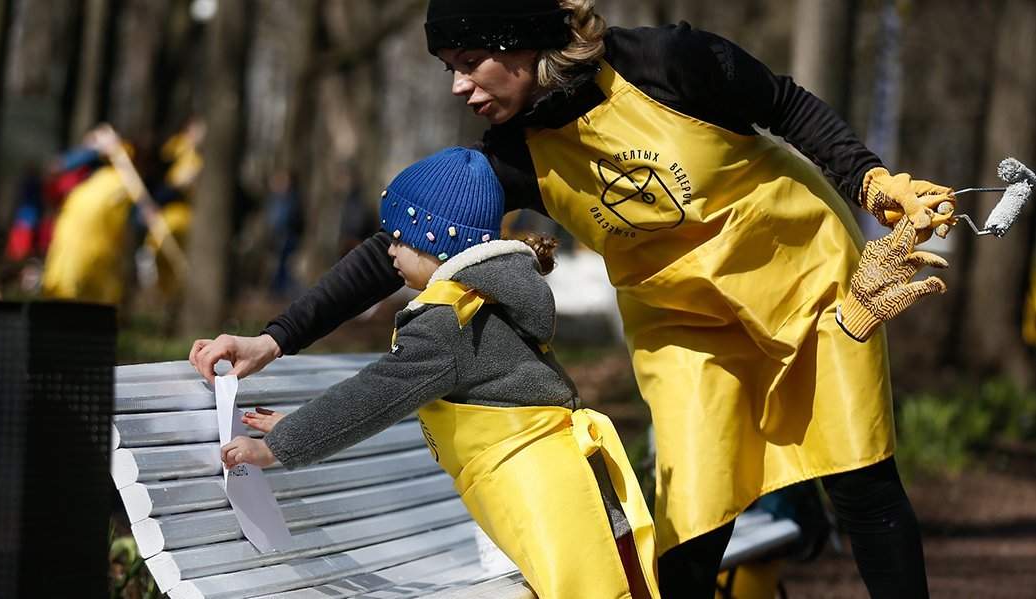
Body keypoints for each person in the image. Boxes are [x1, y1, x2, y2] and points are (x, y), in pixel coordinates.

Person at [191, 3, 956, 597]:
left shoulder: (669, 61)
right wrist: (274, 340)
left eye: (468, 62)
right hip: (683, 323)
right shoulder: (514, 151)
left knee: (856, 470)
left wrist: (870, 180)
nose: (457, 86)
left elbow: (787, 106)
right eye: (447, 68)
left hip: (801, 282)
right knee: (693, 504)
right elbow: (397, 244)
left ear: (524, 43)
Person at [217, 147, 658, 599]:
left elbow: (375, 395)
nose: (388, 249)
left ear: (435, 242)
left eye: (399, 238)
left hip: (545, 495)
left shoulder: (450, 320)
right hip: (572, 482)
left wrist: (279, 446)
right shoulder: (485, 300)